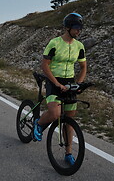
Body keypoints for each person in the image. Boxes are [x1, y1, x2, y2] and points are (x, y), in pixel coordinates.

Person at [33, 12, 87, 165]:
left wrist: (79, 83)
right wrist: (56, 83)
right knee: (55, 113)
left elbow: (83, 67)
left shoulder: (79, 46)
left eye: (80, 28)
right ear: (68, 27)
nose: (79, 31)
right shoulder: (54, 43)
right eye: (76, 27)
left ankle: (68, 153)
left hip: (69, 82)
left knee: (69, 120)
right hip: (54, 80)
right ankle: (38, 124)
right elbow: (44, 65)